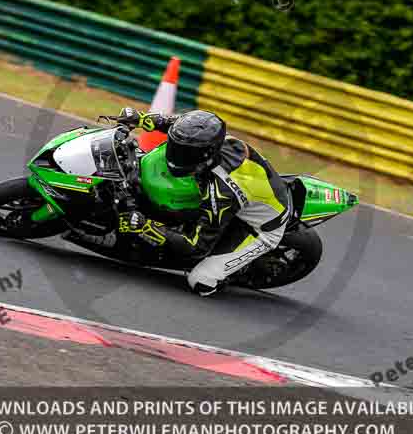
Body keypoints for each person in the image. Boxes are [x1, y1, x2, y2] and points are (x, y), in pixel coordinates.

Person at [116, 107, 292, 297]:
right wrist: (140, 118)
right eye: (176, 148)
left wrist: (145, 226)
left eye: (185, 154)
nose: (175, 155)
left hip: (261, 226)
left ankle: (229, 273)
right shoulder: (208, 141)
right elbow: (176, 127)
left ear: (205, 156)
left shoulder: (221, 192)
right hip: (250, 192)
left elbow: (196, 246)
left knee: (200, 281)